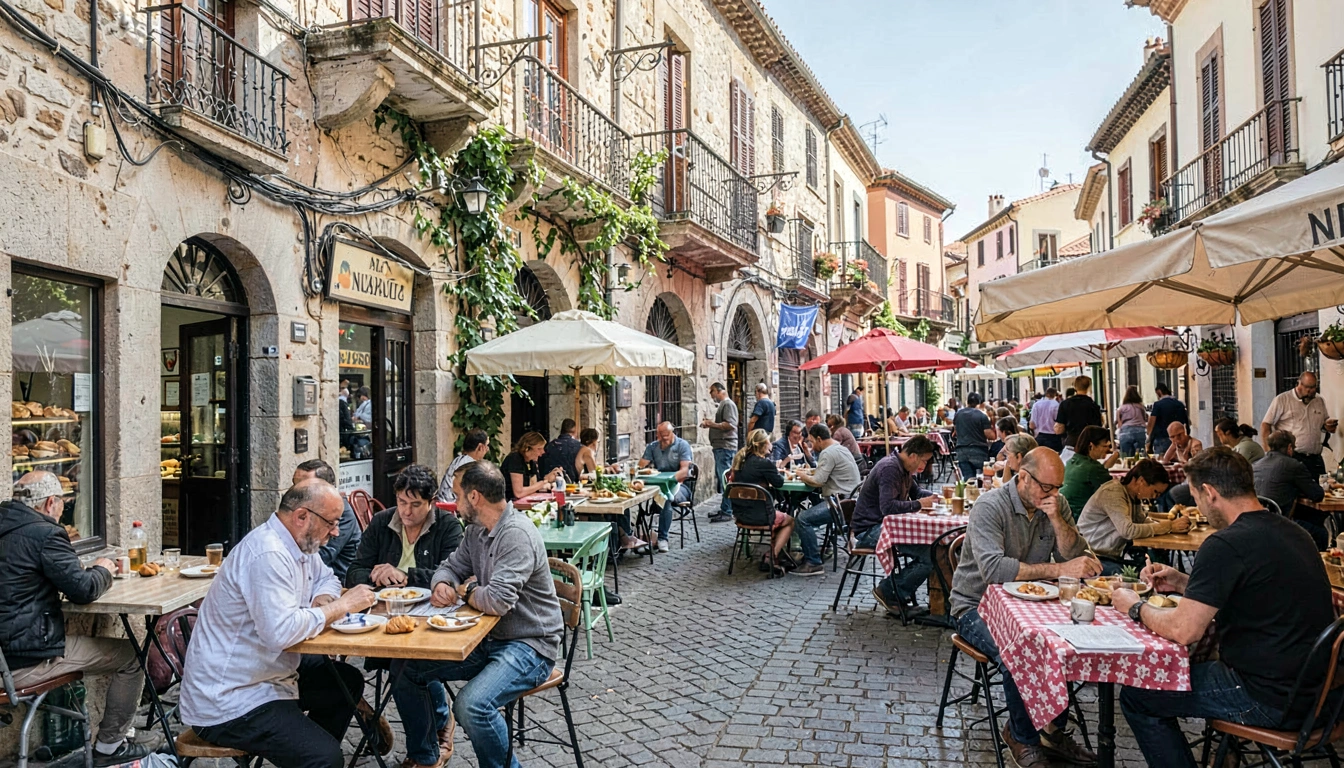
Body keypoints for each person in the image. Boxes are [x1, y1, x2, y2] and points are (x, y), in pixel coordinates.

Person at [1114, 448, 1335, 768]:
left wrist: (1134, 607)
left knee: (1138, 696)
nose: (1197, 507)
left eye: (1195, 498)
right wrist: (1182, 583)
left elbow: (1183, 630)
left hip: (1267, 697)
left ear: (1209, 492)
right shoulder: (1295, 532)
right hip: (1321, 695)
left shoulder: (1225, 544)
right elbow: (1255, 593)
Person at [181, 480, 385, 768]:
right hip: (231, 699)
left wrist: (324, 600)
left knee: (346, 682)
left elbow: (327, 578)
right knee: (323, 757)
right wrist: (342, 606)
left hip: (268, 675)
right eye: (331, 522)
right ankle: (313, 756)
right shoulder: (269, 554)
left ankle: (303, 754)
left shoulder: (300, 545)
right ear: (302, 516)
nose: (336, 531)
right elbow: (281, 632)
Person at [392, 462, 564, 768]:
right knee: (405, 668)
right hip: (488, 637)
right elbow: (450, 566)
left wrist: (463, 592)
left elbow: (497, 601)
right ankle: (425, 756)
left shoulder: (516, 534)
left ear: (474, 497)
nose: (453, 502)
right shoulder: (476, 531)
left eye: (457, 495)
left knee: (472, 706)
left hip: (531, 645)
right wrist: (443, 582)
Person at [949, 449, 1100, 768]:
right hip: (976, 606)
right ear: (1024, 478)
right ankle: (1022, 737)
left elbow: (1076, 553)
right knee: (1018, 652)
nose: (1054, 494)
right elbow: (994, 571)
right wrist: (1055, 569)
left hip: (1034, 606)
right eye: (1047, 487)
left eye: (1058, 487)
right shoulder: (991, 506)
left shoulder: (1055, 504)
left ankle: (1053, 733)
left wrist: (1058, 519)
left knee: (1064, 644)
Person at [1, 473, 150, 766]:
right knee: (131, 656)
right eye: (62, 504)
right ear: (50, 503)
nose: (62, 510)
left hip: (8, 655)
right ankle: (111, 747)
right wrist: (103, 569)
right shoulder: (45, 534)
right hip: (19, 663)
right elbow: (84, 590)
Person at [853, 437, 940, 615]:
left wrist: (937, 497)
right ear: (913, 456)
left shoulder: (903, 467)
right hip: (869, 529)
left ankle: (896, 592)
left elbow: (917, 492)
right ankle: (889, 591)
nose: (925, 464)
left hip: (885, 526)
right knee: (930, 553)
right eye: (924, 460)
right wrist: (920, 504)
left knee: (933, 548)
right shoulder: (890, 468)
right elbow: (888, 507)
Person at [346, 464, 463, 589]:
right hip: (385, 602)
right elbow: (354, 572)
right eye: (402, 502)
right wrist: (377, 576)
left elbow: (454, 574)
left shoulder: (448, 526)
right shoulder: (381, 521)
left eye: (416, 504)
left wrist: (407, 576)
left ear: (432, 502)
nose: (407, 511)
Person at [1077, 460, 1182, 574]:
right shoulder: (1113, 493)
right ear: (1141, 481)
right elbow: (1127, 531)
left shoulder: (1132, 495)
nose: (1155, 497)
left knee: (1152, 567)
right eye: (1155, 492)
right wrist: (1169, 526)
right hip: (1092, 556)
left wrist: (1168, 526)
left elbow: (1141, 521)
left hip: (1109, 554)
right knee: (1138, 575)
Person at [793, 423, 862, 576]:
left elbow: (818, 481)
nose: (811, 445)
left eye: (811, 442)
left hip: (841, 505)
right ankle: (821, 548)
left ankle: (813, 563)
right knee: (812, 502)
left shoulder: (828, 453)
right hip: (850, 500)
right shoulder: (839, 448)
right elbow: (824, 473)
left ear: (819, 439)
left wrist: (802, 475)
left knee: (802, 519)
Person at [728, 429, 796, 575]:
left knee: (778, 516)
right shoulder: (764, 464)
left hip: (740, 514)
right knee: (790, 520)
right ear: (765, 443)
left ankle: (775, 551)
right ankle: (772, 555)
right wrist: (775, 469)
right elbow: (778, 483)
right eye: (769, 442)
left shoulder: (739, 461)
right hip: (762, 516)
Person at [1254, 430, 1329, 547]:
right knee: (1321, 533)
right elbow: (1317, 495)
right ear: (1289, 447)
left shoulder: (1256, 464)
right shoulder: (1294, 465)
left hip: (1257, 521)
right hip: (1280, 522)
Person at [293, 459, 361, 582]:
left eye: (305, 488)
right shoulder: (302, 509)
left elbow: (323, 556)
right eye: (294, 485)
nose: (294, 493)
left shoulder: (340, 512)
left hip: (336, 584)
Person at [1261, 371, 1338, 478]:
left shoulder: (1319, 401)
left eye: (1314, 387)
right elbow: (1266, 425)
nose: (1311, 391)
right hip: (1292, 456)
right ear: (1299, 384)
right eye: (1308, 387)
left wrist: (1328, 425)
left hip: (1314, 457)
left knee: (1319, 490)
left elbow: (1323, 425)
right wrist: (1269, 452)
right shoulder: (1282, 400)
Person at [638, 422, 694, 552]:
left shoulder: (682, 445)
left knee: (666, 498)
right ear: (657, 434)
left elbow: (685, 470)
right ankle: (639, 537)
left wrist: (669, 480)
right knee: (639, 498)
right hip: (657, 486)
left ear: (672, 432)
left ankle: (663, 538)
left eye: (667, 435)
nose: (665, 439)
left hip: (680, 486)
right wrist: (637, 470)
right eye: (661, 436)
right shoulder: (653, 447)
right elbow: (640, 466)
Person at [701, 382, 739, 524]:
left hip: (725, 447)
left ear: (718, 391)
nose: (711, 396)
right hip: (722, 446)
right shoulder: (725, 405)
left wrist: (711, 424)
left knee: (725, 479)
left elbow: (730, 424)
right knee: (723, 478)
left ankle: (727, 511)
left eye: (712, 392)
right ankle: (725, 508)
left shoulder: (727, 404)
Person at [1060, 425, 1119, 517]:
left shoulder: (1073, 461)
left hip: (1068, 511)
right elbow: (1114, 491)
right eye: (1105, 446)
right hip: (1081, 516)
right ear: (1091, 446)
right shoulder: (1093, 468)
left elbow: (1100, 470)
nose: (1108, 450)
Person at [501, 432, 564, 502]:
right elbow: (518, 493)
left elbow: (534, 486)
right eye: (539, 449)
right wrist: (545, 481)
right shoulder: (515, 459)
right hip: (509, 503)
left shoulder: (530, 462)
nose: (543, 452)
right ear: (527, 448)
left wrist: (549, 479)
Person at [436, 429, 489, 504]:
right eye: (486, 446)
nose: (487, 450)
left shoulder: (460, 460)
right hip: (453, 506)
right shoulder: (469, 465)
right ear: (480, 447)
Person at [953, 392, 995, 482]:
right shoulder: (982, 416)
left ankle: (969, 494)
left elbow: (955, 431)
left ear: (967, 402)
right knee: (983, 479)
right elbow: (989, 435)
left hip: (962, 450)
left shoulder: (958, 414)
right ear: (980, 404)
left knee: (969, 480)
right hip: (979, 450)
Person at [1054, 375, 1103, 451]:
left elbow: (1059, 429)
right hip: (1089, 442)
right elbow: (1098, 426)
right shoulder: (1093, 405)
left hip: (1071, 441)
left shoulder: (1065, 404)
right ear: (1088, 387)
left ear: (1075, 387)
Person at [1147, 382, 1188, 456]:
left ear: (1159, 392)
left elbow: (1152, 421)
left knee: (1162, 460)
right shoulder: (1179, 404)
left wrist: (1149, 437)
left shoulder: (1158, 405)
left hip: (1162, 437)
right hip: (1179, 438)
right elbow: (1186, 421)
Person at [1114, 386, 1149, 457]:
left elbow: (1118, 422)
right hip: (1140, 431)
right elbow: (1146, 418)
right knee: (1140, 455)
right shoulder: (1141, 407)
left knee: (1125, 456)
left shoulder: (1121, 408)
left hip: (1126, 431)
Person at [1029, 387, 1063, 452]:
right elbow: (1058, 422)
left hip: (1039, 437)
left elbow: (1032, 425)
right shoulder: (1056, 405)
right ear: (1055, 394)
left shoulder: (1036, 405)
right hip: (1053, 438)